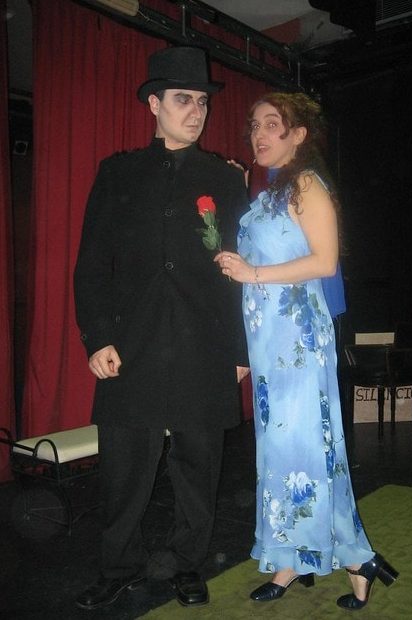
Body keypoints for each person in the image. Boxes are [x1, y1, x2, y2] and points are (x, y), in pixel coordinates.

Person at [73, 46, 249, 610]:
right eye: (182, 100)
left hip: (204, 343)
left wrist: (240, 350)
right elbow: (92, 264)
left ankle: (188, 563)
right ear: (154, 104)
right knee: (124, 466)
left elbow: (237, 271)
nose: (196, 111)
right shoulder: (117, 173)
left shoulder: (224, 180)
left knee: (198, 464)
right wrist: (97, 336)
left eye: (202, 102)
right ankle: (118, 565)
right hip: (132, 345)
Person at [215, 92, 398, 610]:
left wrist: (252, 273)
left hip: (297, 340)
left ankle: (348, 557)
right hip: (268, 343)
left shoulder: (306, 185)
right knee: (282, 450)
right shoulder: (268, 193)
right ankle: (298, 557)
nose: (258, 134)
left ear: (298, 134)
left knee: (305, 448)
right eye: (254, 125)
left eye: (272, 124)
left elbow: (324, 262)